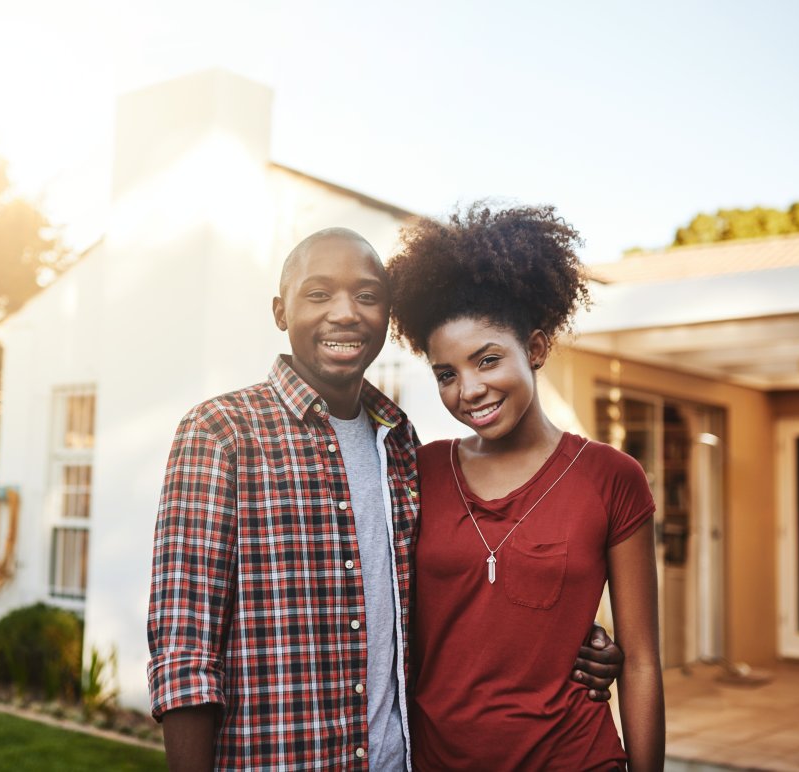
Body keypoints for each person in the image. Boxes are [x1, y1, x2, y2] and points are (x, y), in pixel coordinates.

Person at [147, 227, 623, 771]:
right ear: (281, 312)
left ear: (387, 316)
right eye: (319, 294)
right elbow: (185, 654)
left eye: (368, 296)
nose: (345, 313)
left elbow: (450, 600)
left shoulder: (401, 444)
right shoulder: (221, 432)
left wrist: (570, 640)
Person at [386, 204, 665, 771]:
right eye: (447, 373)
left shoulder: (612, 478)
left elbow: (640, 662)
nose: (470, 389)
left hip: (575, 757)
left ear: (535, 350)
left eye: (487, 360)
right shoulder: (419, 472)